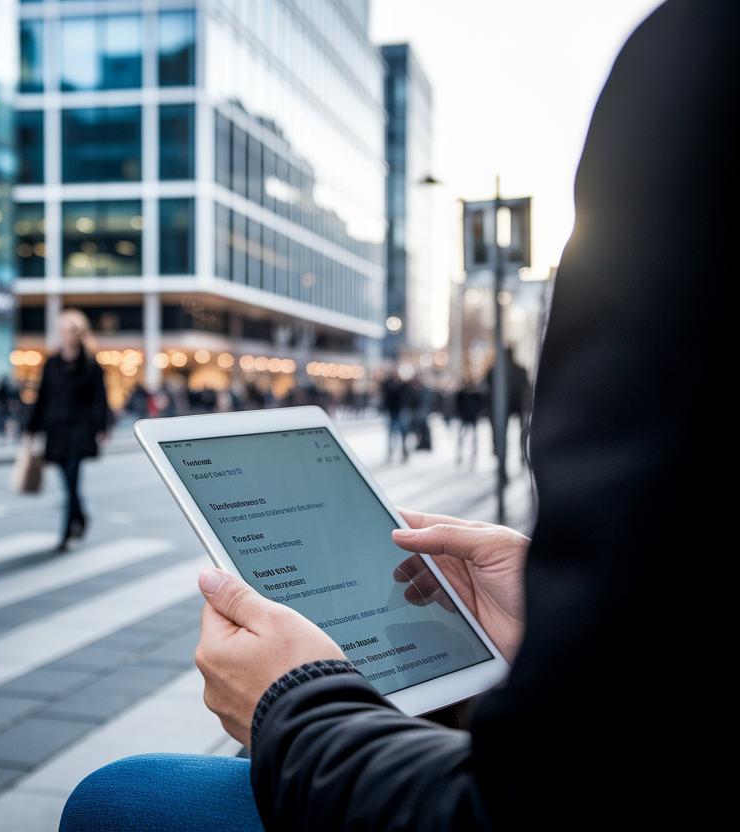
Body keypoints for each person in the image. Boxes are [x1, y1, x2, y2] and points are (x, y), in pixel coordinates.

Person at [59, 2, 727, 829]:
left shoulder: (701, 62)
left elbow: (548, 806)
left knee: (117, 800)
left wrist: (295, 704)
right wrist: (561, 616)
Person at [25, 309, 110, 551]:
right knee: (66, 479)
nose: (62, 335)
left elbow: (101, 398)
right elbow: (41, 396)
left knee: (72, 476)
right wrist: (30, 427)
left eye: (66, 330)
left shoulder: (91, 363)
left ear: (77, 333)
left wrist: (103, 427)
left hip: (81, 428)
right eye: (60, 330)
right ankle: (80, 514)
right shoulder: (51, 363)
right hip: (55, 429)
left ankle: (67, 532)